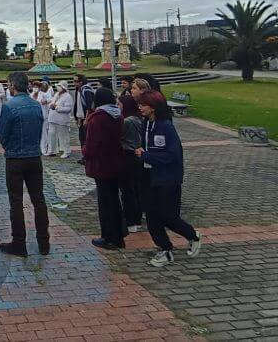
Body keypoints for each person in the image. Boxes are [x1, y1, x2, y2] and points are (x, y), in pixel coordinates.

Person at [135, 90, 201, 267]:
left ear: (153, 107)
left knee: (167, 216)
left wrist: (146, 156)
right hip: (148, 176)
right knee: (151, 216)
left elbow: (172, 155)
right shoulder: (145, 124)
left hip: (167, 179)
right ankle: (165, 249)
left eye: (143, 104)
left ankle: (192, 235)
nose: (140, 107)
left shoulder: (166, 127)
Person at [0, 71, 49, 257]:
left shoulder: (9, 106)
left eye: (8, 84)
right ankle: (44, 242)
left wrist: (11, 148)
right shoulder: (36, 105)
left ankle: (19, 242)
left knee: (16, 201)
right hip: (34, 156)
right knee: (39, 200)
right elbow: (39, 128)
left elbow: (3, 134)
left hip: (15, 158)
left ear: (13, 85)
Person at [83, 87, 126, 249]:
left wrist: (85, 152)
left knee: (105, 202)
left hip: (101, 164)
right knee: (114, 199)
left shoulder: (98, 119)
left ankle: (109, 237)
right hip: (115, 161)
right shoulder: (118, 116)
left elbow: (91, 145)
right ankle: (118, 234)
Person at [119, 93, 146, 233]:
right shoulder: (139, 119)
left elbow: (119, 136)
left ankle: (131, 220)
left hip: (128, 155)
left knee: (128, 190)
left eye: (119, 104)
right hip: (136, 156)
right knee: (135, 189)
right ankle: (137, 217)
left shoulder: (127, 121)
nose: (118, 107)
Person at [47, 82, 74, 159]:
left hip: (62, 120)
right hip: (52, 118)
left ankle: (67, 151)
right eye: (58, 86)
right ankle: (52, 150)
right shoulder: (56, 94)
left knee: (63, 136)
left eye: (60, 86)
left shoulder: (68, 96)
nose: (58, 87)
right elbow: (52, 103)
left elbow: (68, 109)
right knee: (51, 134)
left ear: (63, 87)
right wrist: (51, 105)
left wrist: (57, 108)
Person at [73, 74, 95, 147]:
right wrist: (77, 118)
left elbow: (89, 106)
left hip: (86, 119)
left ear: (81, 82)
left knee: (87, 139)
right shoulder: (78, 90)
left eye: (75, 81)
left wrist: (86, 118)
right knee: (82, 139)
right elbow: (77, 105)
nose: (74, 83)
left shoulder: (86, 90)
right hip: (81, 119)